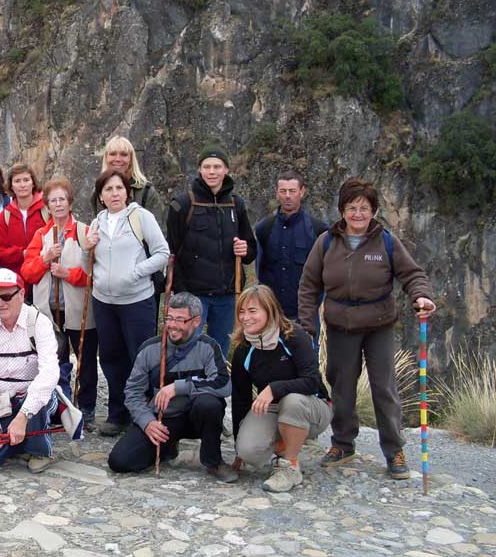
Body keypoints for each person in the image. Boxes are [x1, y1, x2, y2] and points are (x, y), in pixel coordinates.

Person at [298, 178, 436, 480]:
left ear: (373, 211)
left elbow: (412, 273)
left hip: (379, 325)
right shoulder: (326, 242)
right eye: (351, 208)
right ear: (342, 211)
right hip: (339, 326)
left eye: (363, 208)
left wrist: (421, 295)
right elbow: (309, 285)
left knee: (384, 387)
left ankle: (394, 450)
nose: (357, 214)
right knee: (342, 386)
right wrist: (307, 324)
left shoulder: (386, 241)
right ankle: (343, 444)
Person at [107, 292, 237, 482]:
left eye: (180, 320)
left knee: (210, 404)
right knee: (120, 461)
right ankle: (167, 447)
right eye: (169, 318)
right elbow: (133, 392)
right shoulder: (150, 349)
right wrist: (147, 422)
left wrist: (178, 387)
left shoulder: (208, 347)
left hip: (197, 416)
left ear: (196, 321)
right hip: (164, 418)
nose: (173, 325)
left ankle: (213, 461)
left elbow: (223, 384)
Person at [84, 170, 170, 437]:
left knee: (140, 358)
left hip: (137, 300)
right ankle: (117, 413)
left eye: (119, 188)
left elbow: (162, 253)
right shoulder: (97, 222)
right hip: (104, 301)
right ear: (100, 196)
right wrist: (87, 247)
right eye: (108, 189)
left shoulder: (140, 217)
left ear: (127, 192)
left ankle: (143, 416)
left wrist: (135, 273)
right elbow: (89, 262)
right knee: (111, 359)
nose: (114, 194)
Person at [229, 285, 332, 492]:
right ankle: (287, 440)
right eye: (242, 311)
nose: (245, 317)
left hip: (311, 405)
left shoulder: (294, 336)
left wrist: (273, 389)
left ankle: (290, 467)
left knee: (292, 400)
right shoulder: (244, 349)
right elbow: (240, 398)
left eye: (252, 311)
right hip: (274, 409)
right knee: (250, 451)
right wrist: (238, 449)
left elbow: (312, 382)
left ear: (270, 310)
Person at [165, 144, 256, 358]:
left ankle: (215, 389)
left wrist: (245, 249)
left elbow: (251, 250)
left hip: (228, 294)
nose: (212, 172)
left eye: (217, 166)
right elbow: (171, 252)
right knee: (186, 350)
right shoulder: (183, 204)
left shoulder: (236, 204)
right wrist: (181, 291)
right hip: (194, 295)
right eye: (207, 166)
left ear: (226, 170)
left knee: (219, 352)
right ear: (199, 170)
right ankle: (184, 390)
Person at [20, 178, 98, 426]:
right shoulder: (41, 235)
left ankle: (86, 407)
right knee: (55, 360)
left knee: (85, 360)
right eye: (52, 200)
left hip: (79, 310)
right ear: (47, 206)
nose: (57, 204)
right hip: (50, 312)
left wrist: (69, 274)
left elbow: (96, 276)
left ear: (70, 202)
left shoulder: (85, 232)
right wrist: (45, 259)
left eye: (61, 199)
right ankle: (59, 406)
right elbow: (28, 273)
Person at [0, 269, 60, 474]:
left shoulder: (39, 322)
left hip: (29, 398)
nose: (0, 303)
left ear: (21, 294)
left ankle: (38, 449)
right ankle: (20, 440)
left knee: (38, 395)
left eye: (7, 296)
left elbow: (49, 374)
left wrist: (22, 417)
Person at [254, 170, 327, 338]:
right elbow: (260, 271)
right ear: (276, 192)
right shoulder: (264, 229)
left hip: (306, 316)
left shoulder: (318, 230)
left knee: (306, 362)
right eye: (283, 191)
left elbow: (324, 273)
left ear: (302, 192)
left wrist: (315, 304)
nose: (287, 196)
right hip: (272, 313)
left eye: (292, 191)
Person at [90, 136, 166, 228]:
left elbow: (159, 234)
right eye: (113, 154)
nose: (118, 159)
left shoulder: (146, 192)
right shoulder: (98, 192)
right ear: (106, 158)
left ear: (131, 159)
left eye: (124, 154)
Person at [0, 163, 47, 275]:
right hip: (18, 279)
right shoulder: (5, 216)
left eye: (26, 180)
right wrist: (22, 254)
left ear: (33, 183)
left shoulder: (47, 210)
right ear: (11, 186)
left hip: (45, 275)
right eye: (17, 181)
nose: (22, 185)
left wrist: (35, 253)